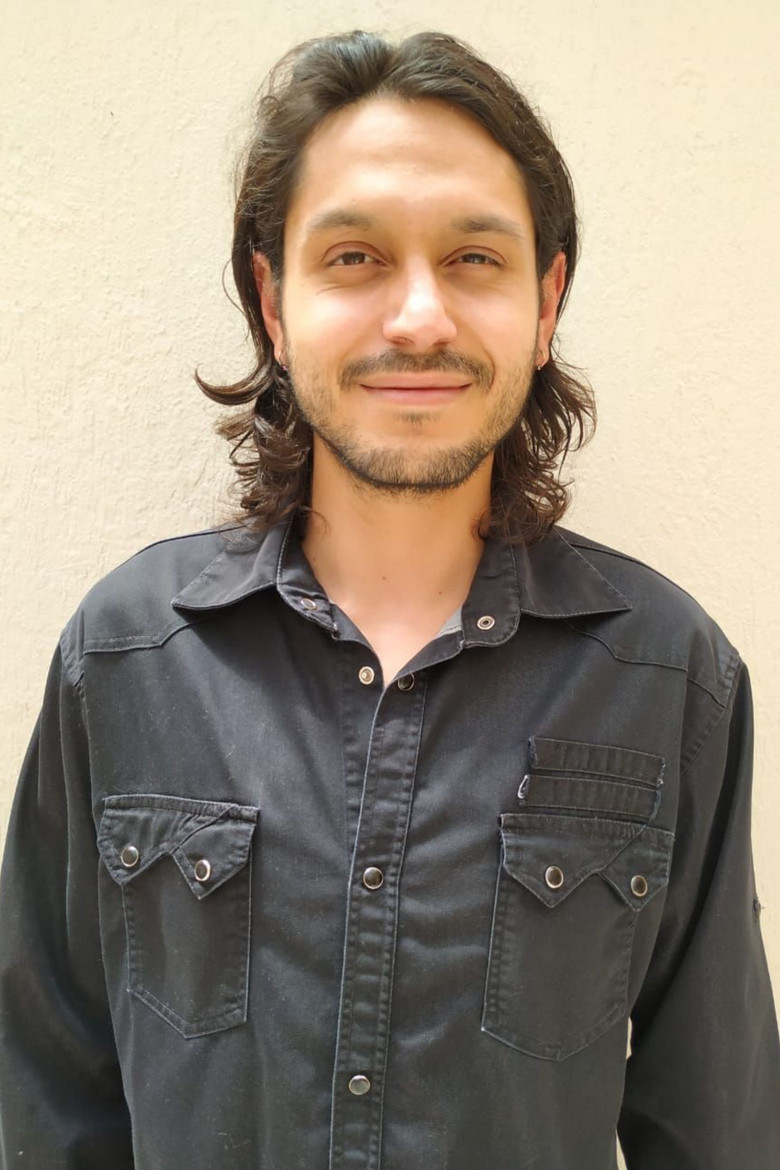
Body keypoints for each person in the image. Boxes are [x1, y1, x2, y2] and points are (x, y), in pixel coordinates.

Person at [0, 27, 778, 1170]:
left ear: (546, 301)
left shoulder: (668, 678)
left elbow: (718, 1133)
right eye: (356, 256)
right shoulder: (123, 657)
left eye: (474, 258)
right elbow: (45, 1103)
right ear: (273, 301)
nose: (418, 318)